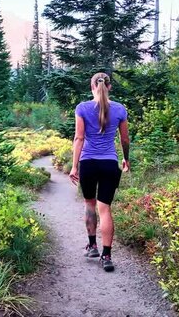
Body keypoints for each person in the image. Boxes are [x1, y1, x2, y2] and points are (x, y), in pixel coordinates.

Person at [69, 72, 130, 272]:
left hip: (88, 162)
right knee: (105, 209)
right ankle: (107, 256)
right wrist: (126, 159)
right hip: (109, 164)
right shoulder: (120, 109)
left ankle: (92, 245)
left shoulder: (82, 108)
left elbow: (79, 138)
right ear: (109, 87)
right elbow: (125, 140)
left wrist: (74, 166)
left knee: (89, 204)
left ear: (92, 86)